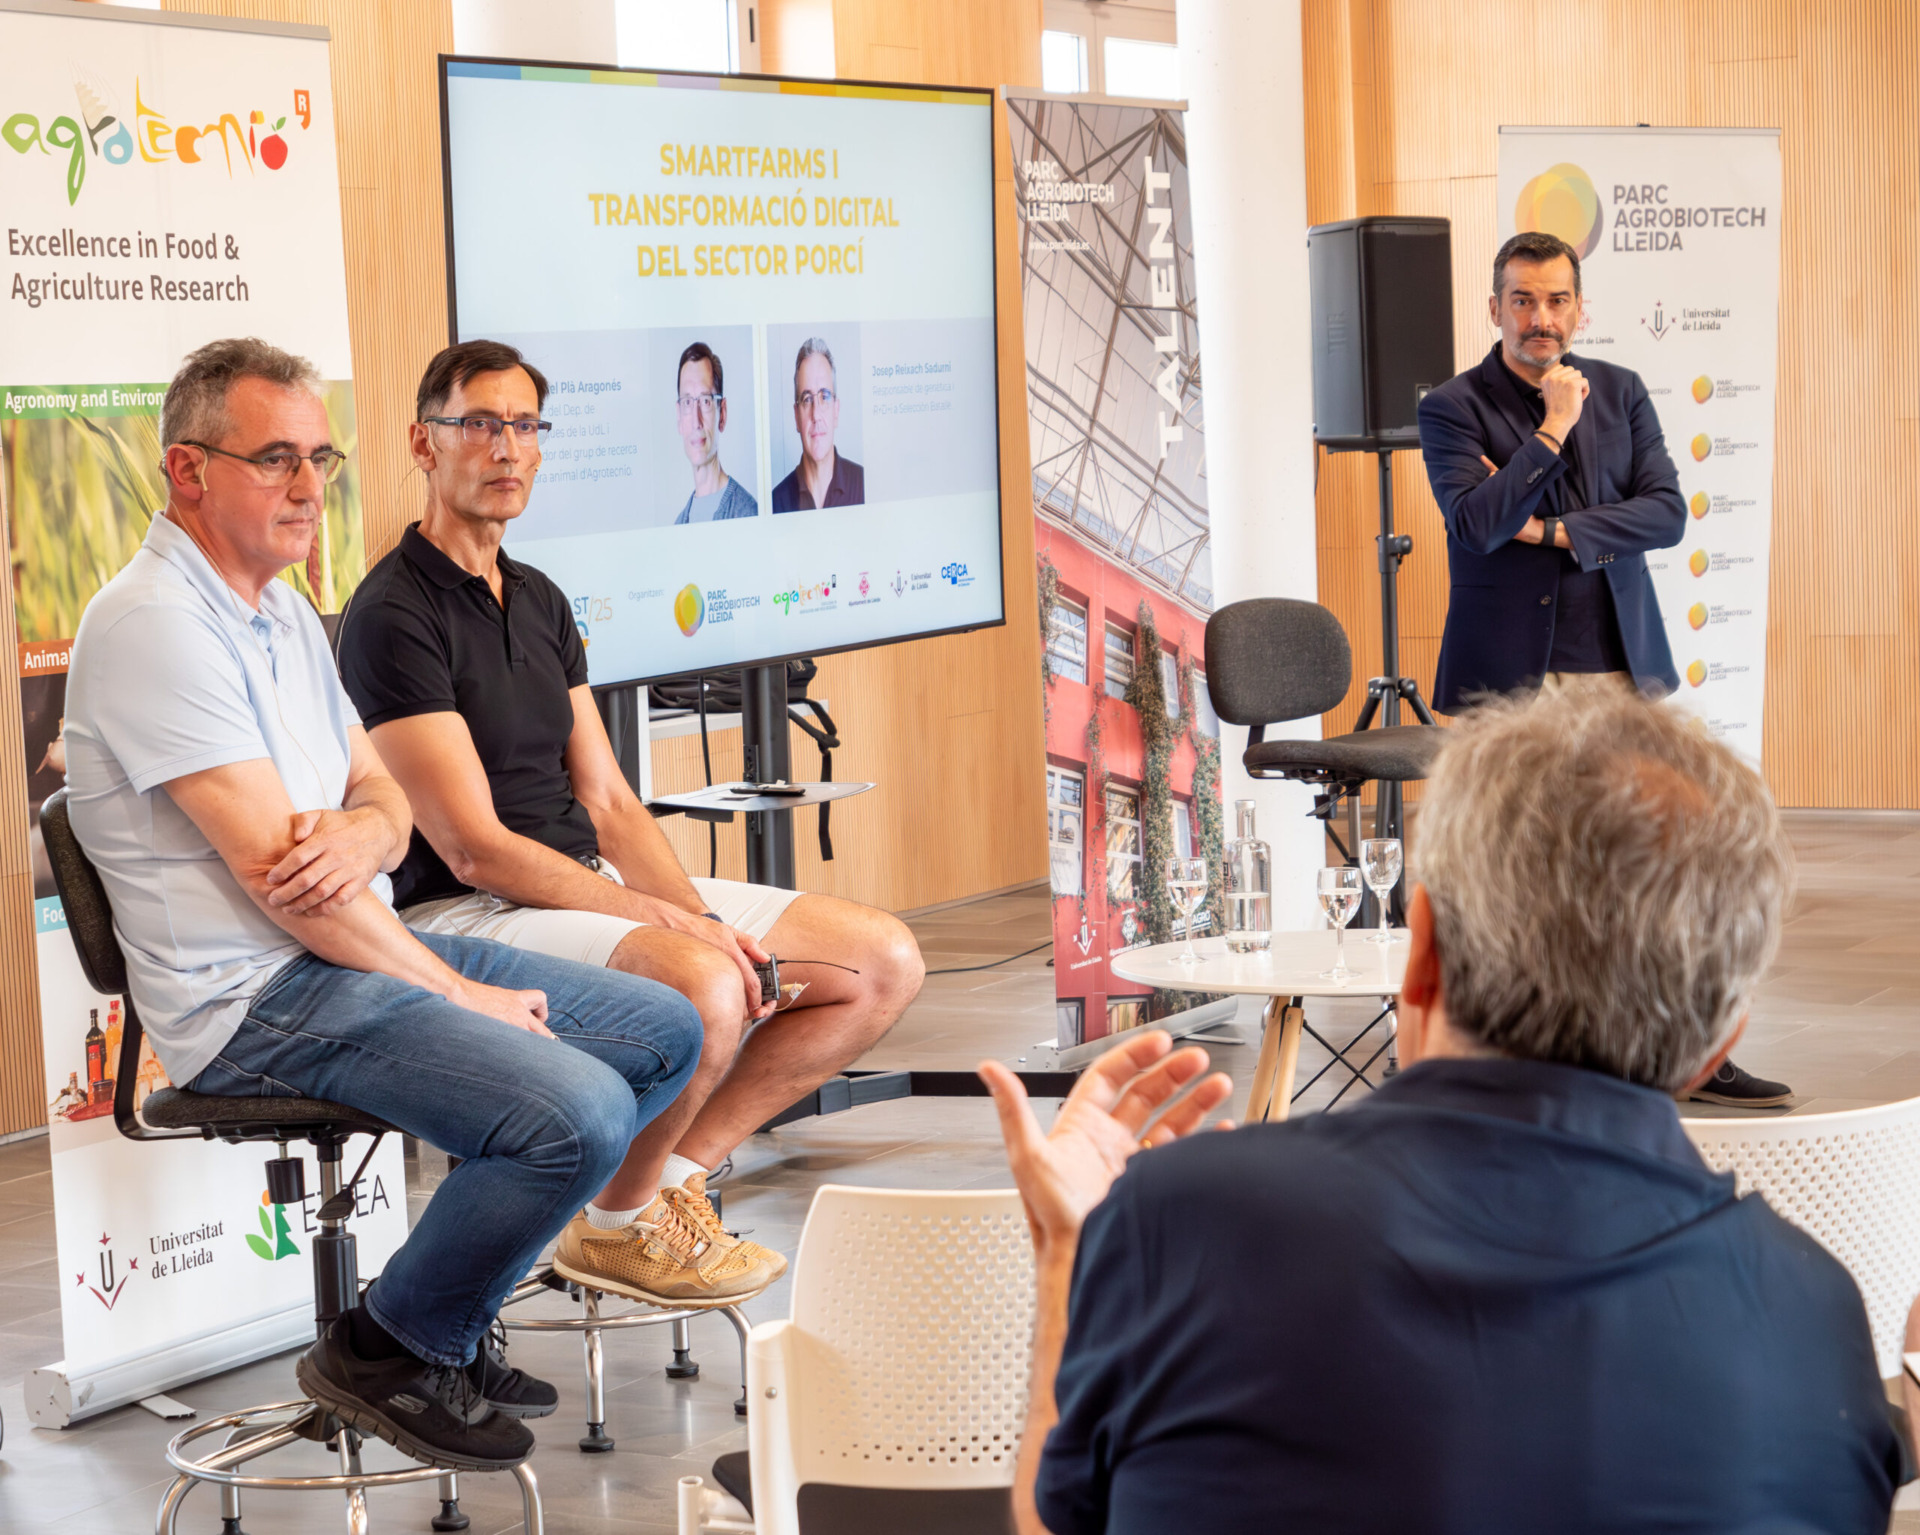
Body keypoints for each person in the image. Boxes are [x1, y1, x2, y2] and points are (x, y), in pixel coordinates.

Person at [983, 687, 1907, 1534]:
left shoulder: (1188, 1220)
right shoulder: (1812, 1318)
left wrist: (1068, 1256)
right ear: (1720, 1042)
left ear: (1418, 952)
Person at [63, 337, 705, 1474]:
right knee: (579, 1115)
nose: (309, 487)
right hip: (251, 1002)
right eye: (275, 458)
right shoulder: (153, 622)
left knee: (667, 1027)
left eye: (320, 459)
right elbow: (291, 892)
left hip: (347, 953)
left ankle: (445, 1321)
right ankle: (389, 1347)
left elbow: (383, 796)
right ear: (188, 470)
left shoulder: (283, 613)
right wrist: (460, 988)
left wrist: (366, 827)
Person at [336, 339, 924, 1309]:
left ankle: (664, 1186)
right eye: (478, 423)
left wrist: (704, 920)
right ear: (422, 442)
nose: (506, 448)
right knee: (705, 986)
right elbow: (473, 847)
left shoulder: (539, 598)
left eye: (523, 425)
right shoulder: (393, 612)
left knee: (880, 964)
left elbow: (608, 801)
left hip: (576, 889)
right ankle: (617, 1226)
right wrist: (679, 933)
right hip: (466, 915)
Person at [1418, 229, 1786, 1109]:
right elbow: (1475, 523)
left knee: (1657, 858)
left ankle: (1688, 1047)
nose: (1540, 318)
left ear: (1581, 309)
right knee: (1515, 866)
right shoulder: (1453, 407)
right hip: (1514, 680)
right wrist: (1551, 430)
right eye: (1522, 300)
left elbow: (1666, 513)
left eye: (1556, 300)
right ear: (1494, 307)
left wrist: (1553, 530)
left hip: (1619, 666)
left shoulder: (1620, 389)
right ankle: (1511, 1056)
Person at [769, 337, 864, 512]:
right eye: (807, 399)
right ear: (796, 416)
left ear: (836, 410)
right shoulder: (775, 503)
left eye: (824, 396)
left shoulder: (865, 487)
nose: (816, 414)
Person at [671, 341, 757, 524]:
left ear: (722, 414)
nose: (696, 421)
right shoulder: (678, 524)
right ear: (679, 418)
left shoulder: (748, 514)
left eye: (705, 401)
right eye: (687, 402)